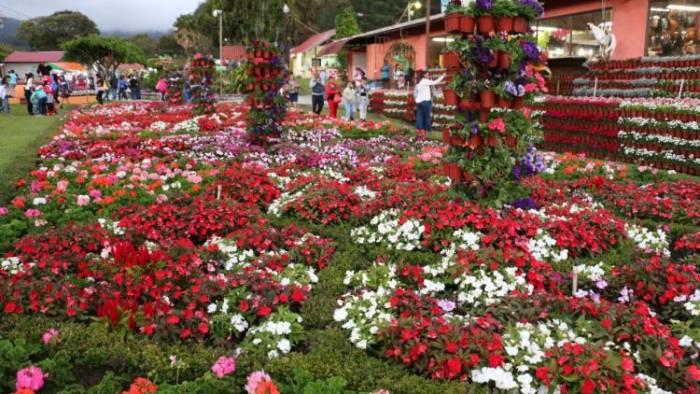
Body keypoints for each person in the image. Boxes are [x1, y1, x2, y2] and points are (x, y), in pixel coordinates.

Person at [414, 70, 445, 138]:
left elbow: (434, 93)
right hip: (426, 102)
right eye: (427, 74)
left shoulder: (420, 83)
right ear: (424, 75)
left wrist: (438, 92)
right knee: (426, 118)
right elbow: (436, 82)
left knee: (420, 117)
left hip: (420, 102)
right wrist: (442, 76)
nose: (429, 76)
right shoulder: (425, 81)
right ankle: (424, 133)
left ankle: (419, 132)